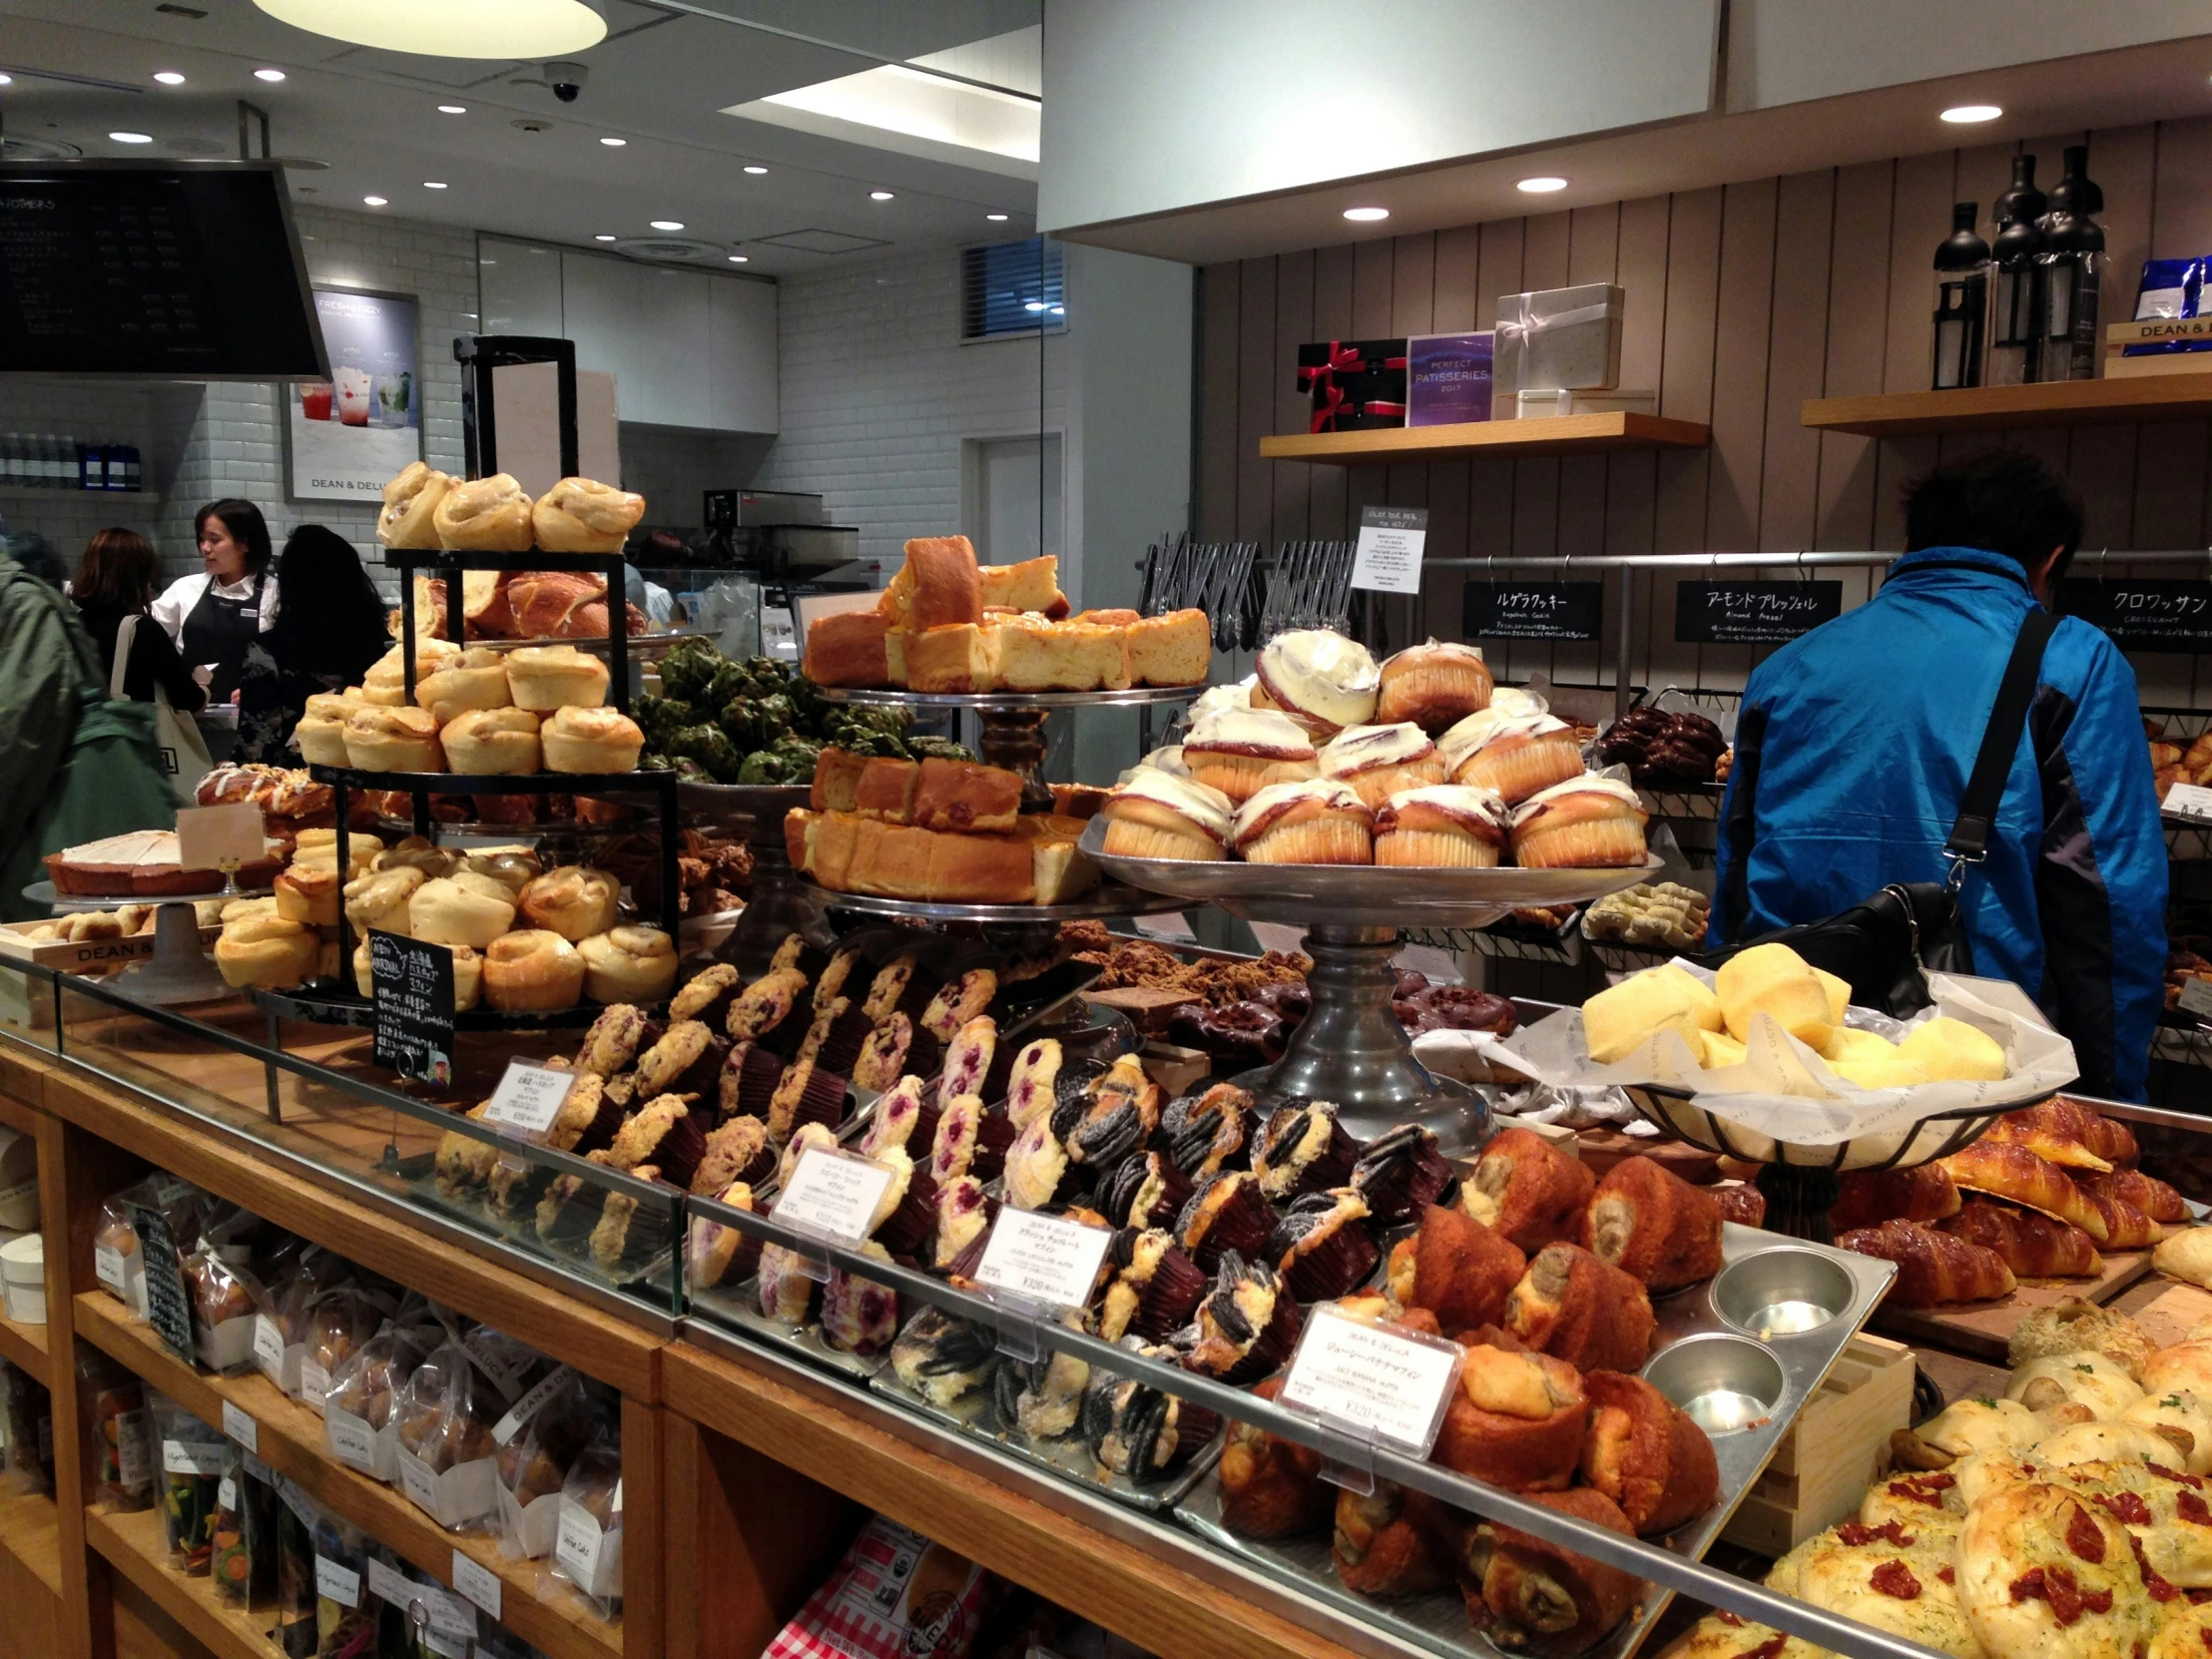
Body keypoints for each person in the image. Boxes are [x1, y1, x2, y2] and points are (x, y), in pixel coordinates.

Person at [1710, 447, 2167, 1100]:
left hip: (1787, 1065)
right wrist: (2111, 1098)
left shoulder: (1787, 668)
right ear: (2052, 560)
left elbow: (1734, 881)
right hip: (1975, 1079)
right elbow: (2110, 909)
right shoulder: (2073, 663)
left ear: (1908, 543)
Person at [0, 548, 178, 921]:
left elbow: (18, 734)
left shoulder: (24, 604)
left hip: (41, 822)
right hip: (72, 797)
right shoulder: (36, 605)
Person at [232, 524, 389, 763]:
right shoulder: (382, 647)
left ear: (290, 585)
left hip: (293, 784)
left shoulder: (267, 651)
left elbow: (254, 744)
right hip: (368, 775)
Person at [70, 528, 209, 714]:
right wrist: (203, 686)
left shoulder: (74, 625)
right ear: (139, 577)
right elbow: (189, 700)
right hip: (128, 738)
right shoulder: (143, 630)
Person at [153, 499, 277, 701]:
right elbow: (147, 632)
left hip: (251, 718)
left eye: (215, 539)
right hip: (189, 717)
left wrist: (266, 687)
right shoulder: (186, 588)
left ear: (245, 543)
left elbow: (295, 661)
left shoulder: (276, 594)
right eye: (202, 539)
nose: (205, 548)